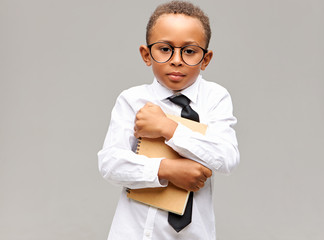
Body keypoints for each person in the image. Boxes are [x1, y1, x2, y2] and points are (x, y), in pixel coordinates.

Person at [98, 1, 240, 239]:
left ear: (206, 59)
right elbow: (111, 164)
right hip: (134, 232)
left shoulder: (215, 98)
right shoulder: (132, 100)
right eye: (165, 49)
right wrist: (166, 170)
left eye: (190, 51)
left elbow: (226, 158)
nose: (176, 60)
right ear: (146, 54)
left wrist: (169, 129)